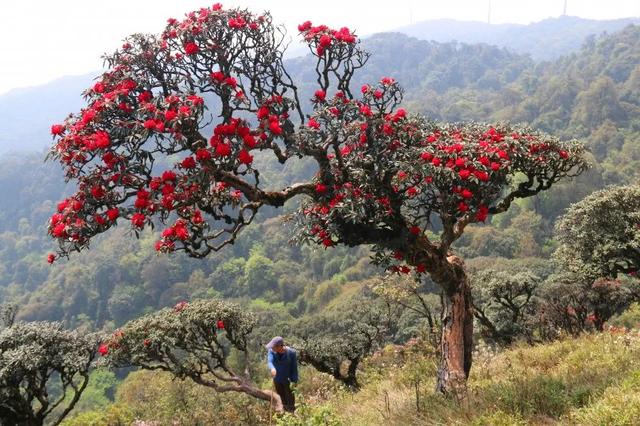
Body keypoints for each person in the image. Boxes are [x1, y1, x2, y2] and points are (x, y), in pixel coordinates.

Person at [266, 336, 298, 412]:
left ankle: (291, 416)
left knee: (290, 400)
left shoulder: (291, 353)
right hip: (277, 380)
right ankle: (285, 414)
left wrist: (294, 381)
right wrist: (272, 368)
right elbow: (270, 361)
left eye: (273, 347)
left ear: (280, 346)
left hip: (288, 381)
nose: (272, 348)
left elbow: (294, 369)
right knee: (282, 398)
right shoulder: (271, 351)